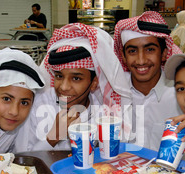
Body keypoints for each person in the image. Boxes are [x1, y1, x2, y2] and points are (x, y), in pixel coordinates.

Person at [16, 22, 129, 151]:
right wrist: (53, 137)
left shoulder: (103, 112)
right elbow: (23, 158)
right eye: (59, 76)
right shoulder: (39, 104)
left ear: (94, 83)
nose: (64, 87)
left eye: (76, 78)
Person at [111, 11, 183, 151]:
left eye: (150, 49)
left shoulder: (180, 95)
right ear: (123, 57)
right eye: (132, 51)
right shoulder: (113, 92)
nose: (141, 60)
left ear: (164, 54)